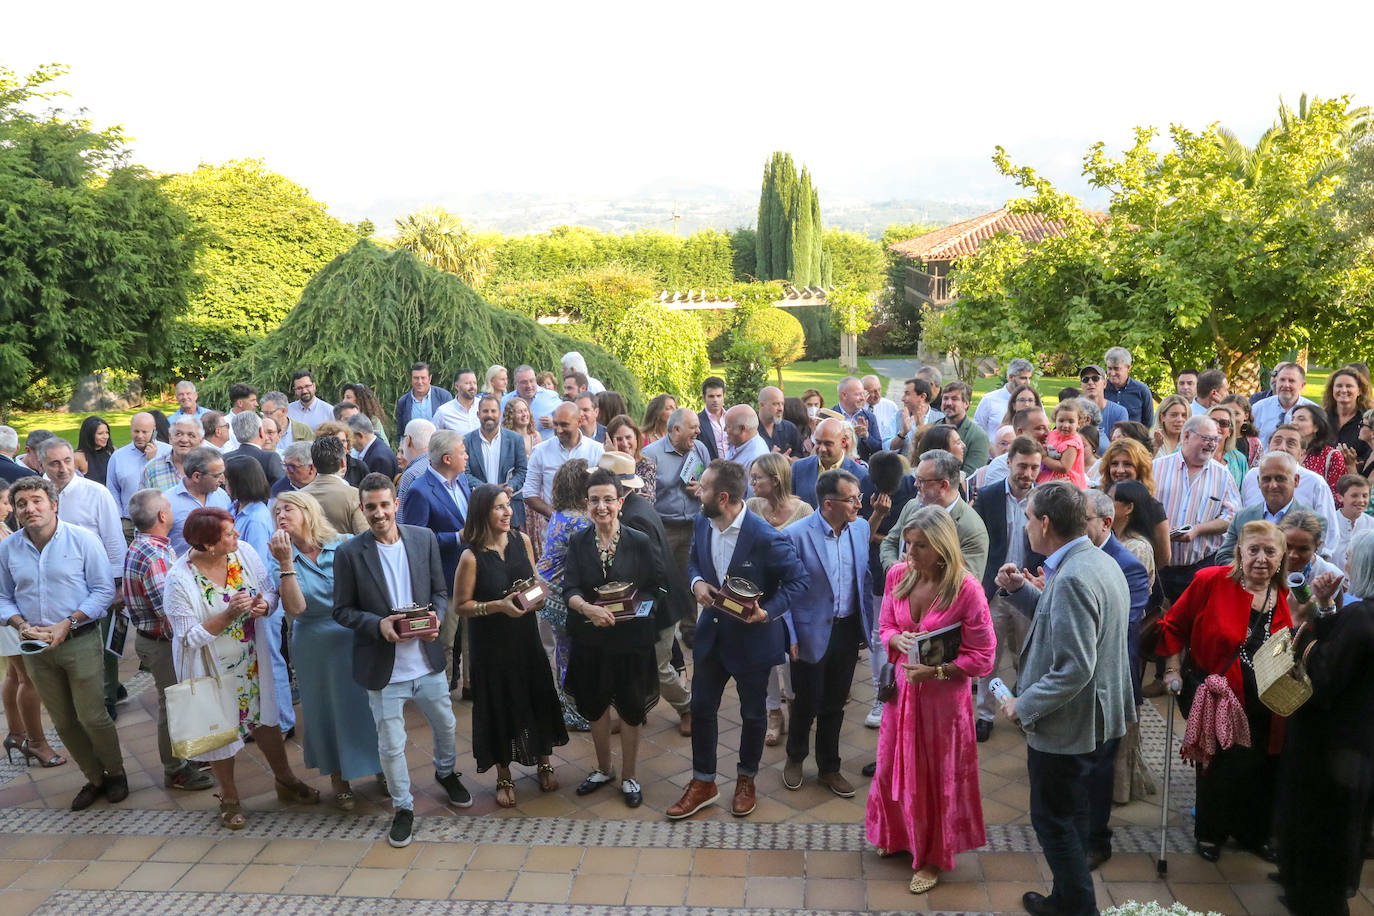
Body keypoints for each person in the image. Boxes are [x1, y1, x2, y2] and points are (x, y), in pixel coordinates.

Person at [994, 481, 1133, 916]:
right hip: (1096, 719)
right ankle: (1067, 899)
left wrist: (1023, 704)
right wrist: (1021, 591)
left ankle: (1076, 908)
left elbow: (1074, 667)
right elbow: (1061, 622)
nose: (1026, 524)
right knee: (1070, 816)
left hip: (1069, 728)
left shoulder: (1072, 576)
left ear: (1046, 523)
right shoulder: (1093, 560)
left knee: (1054, 822)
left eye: (1029, 517)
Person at [332, 474, 470, 846]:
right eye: (371, 507)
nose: (379, 513)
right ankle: (403, 807)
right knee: (391, 743)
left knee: (445, 724)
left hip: (425, 659)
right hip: (383, 666)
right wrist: (379, 625)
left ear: (395, 504)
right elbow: (342, 611)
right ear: (362, 509)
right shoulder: (348, 553)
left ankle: (446, 772)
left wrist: (437, 617)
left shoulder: (423, 539)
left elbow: (440, 592)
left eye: (384, 505)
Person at [666, 459, 807, 820]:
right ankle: (703, 782)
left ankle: (747, 778)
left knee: (753, 713)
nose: (698, 491)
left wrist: (767, 612)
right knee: (701, 709)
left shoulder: (765, 537)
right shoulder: (702, 521)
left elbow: (798, 580)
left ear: (724, 497)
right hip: (711, 637)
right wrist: (697, 582)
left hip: (752, 641)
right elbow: (695, 560)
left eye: (705, 488)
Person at [866, 507, 995, 894]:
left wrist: (937, 672)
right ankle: (900, 836)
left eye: (920, 546)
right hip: (901, 697)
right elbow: (886, 623)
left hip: (943, 705)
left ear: (941, 548)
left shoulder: (967, 589)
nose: (910, 553)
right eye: (908, 544)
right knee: (893, 767)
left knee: (938, 779)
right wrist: (895, 640)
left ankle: (934, 858)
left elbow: (984, 656)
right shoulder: (897, 576)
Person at [165, 506, 318, 829]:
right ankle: (230, 797)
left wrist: (264, 605)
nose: (237, 537)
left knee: (267, 722)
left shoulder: (244, 553)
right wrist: (228, 616)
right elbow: (188, 637)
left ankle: (285, 779)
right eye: (229, 535)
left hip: (252, 661)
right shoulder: (179, 578)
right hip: (213, 669)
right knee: (220, 734)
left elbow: (270, 594)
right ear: (207, 545)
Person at [1156, 520, 1291, 864]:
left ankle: (1253, 833)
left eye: (1270, 551)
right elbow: (1174, 624)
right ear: (1239, 552)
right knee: (1218, 766)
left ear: (1281, 557)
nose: (1262, 558)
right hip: (1218, 694)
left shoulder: (1283, 593)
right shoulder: (1210, 581)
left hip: (1268, 698)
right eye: (1254, 550)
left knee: (1262, 765)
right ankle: (1211, 833)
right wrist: (1172, 669)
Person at [0, 477, 126, 809]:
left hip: (79, 639)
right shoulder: (8, 547)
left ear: (54, 505)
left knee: (92, 716)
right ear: (15, 511)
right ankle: (94, 777)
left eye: (37, 500)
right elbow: (3, 597)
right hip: (35, 648)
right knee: (64, 721)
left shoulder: (83, 540)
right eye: (22, 503)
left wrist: (68, 622)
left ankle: (116, 773)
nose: (30, 508)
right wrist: (20, 624)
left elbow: (102, 591)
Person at [451, 484, 568, 808]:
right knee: (498, 704)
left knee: (537, 696)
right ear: (482, 513)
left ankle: (544, 761)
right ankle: (504, 775)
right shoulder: (471, 556)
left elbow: (533, 583)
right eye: (499, 507)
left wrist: (535, 599)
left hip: (525, 637)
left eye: (508, 506)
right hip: (491, 645)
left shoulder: (523, 541)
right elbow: (461, 606)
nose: (507, 512)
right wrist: (497, 607)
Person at [1276, 534, 1374, 915]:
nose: (1345, 565)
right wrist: (1329, 607)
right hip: (1357, 744)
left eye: (1350, 558)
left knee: (1325, 831)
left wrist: (1305, 625)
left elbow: (1322, 677)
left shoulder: (1362, 615)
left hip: (1333, 749)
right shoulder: (1359, 614)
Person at [268, 491, 380, 811]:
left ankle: (381, 767)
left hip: (354, 637)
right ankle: (339, 779)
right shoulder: (279, 558)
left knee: (368, 708)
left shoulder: (344, 542)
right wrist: (287, 563)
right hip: (315, 645)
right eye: (276, 512)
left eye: (288, 508)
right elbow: (297, 609)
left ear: (308, 511)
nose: (281, 515)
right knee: (325, 712)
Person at [562, 467, 667, 808]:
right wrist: (587, 609)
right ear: (585, 504)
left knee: (632, 708)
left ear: (621, 502)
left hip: (630, 642)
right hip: (590, 639)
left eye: (609, 499)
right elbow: (570, 588)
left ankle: (630, 775)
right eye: (595, 500)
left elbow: (655, 587)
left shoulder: (639, 541)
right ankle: (604, 768)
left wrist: (633, 612)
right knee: (594, 706)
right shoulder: (578, 542)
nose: (602, 506)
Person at [780, 469, 873, 798]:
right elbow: (785, 591)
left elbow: (864, 578)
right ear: (829, 503)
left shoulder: (860, 529)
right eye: (852, 499)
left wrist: (867, 625)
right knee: (805, 701)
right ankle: (795, 758)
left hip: (847, 630)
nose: (859, 505)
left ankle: (829, 767)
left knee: (836, 701)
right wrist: (789, 634)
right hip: (808, 633)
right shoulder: (796, 535)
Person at [120, 488, 215, 791]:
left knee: (176, 702)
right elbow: (172, 611)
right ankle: (175, 769)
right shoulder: (155, 555)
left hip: (155, 640)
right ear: (163, 516)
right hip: (162, 644)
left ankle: (186, 756)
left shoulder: (144, 545)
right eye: (170, 508)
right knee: (173, 705)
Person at [1081, 489, 1151, 866]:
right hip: (1077, 681)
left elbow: (1122, 624)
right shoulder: (1078, 554)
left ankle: (1097, 839)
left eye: (1084, 520)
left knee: (1099, 763)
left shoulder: (1128, 565)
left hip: (1107, 681)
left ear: (1106, 523)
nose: (1076, 526)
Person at [971, 436, 1045, 742]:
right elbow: (977, 542)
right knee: (990, 655)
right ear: (1008, 462)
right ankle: (986, 714)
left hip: (1029, 588)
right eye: (1022, 466)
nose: (1027, 473)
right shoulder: (987, 496)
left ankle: (1025, 711)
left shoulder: (1043, 498)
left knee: (1027, 656)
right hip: (995, 590)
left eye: (1033, 468)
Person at [398, 429, 472, 694]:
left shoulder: (462, 481)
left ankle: (472, 687)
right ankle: (442, 692)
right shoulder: (420, 490)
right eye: (462, 451)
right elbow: (415, 539)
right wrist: (456, 537)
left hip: (470, 573)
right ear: (448, 458)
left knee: (471, 637)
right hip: (445, 577)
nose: (467, 455)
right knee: (446, 640)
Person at [746, 453, 812, 745]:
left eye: (757, 477)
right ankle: (774, 711)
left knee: (791, 656)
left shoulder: (804, 510)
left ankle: (797, 704)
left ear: (775, 480)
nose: (752, 482)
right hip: (760, 595)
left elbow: (810, 556)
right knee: (766, 658)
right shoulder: (750, 508)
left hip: (792, 597)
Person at [1151, 415, 1240, 603]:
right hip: (1158, 567)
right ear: (1186, 437)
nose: (1212, 444)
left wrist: (1198, 530)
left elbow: (1232, 516)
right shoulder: (1156, 468)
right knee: (1155, 624)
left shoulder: (1222, 474)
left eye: (1216, 439)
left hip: (1200, 568)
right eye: (1207, 438)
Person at [643, 407, 709, 648]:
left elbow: (708, 480)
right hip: (664, 527)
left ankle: (690, 628)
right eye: (693, 427)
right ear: (676, 429)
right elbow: (647, 496)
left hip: (693, 525)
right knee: (662, 578)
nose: (698, 431)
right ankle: (662, 627)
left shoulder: (700, 449)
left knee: (690, 577)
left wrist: (702, 488)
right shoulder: (651, 454)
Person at [536, 459, 593, 731]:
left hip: (546, 589)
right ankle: (574, 712)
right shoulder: (579, 521)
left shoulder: (560, 514)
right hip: (560, 595)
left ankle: (566, 703)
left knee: (562, 651)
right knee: (569, 653)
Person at [880, 449, 989, 582]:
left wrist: (913, 571)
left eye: (921, 480)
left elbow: (967, 583)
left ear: (943, 485)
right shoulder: (912, 506)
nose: (915, 484)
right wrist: (892, 565)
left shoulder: (971, 528)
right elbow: (890, 542)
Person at [523, 402, 604, 561]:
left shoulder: (596, 450)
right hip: (553, 529)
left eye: (564, 425)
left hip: (591, 528)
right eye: (556, 424)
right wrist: (557, 516)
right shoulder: (540, 451)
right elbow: (529, 493)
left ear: (579, 422)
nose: (559, 430)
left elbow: (604, 488)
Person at [1240, 425, 1341, 541]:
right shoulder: (1252, 476)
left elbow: (1328, 533)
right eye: (1277, 441)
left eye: (1291, 443)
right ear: (1268, 446)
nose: (1282, 447)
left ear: (1302, 453)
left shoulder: (1316, 483)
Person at [1215, 452, 1316, 564]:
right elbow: (1224, 557)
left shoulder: (1310, 521)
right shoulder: (1242, 517)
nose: (1273, 485)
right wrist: (1251, 574)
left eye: (1280, 478)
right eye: (1266, 479)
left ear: (1296, 480)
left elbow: (1310, 562)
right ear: (1258, 481)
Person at [464, 395, 528, 525]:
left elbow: (522, 470)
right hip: (480, 508)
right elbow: (465, 473)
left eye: (493, 411)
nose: (489, 415)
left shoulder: (515, 439)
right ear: (478, 414)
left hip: (509, 510)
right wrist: (490, 490)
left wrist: (510, 487)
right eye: (485, 411)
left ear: (500, 414)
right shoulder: (467, 441)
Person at [792, 417, 871, 508]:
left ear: (843, 442)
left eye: (828, 444)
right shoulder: (799, 468)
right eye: (818, 442)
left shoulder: (861, 474)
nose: (822, 449)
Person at [300, 435, 367, 536]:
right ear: (343, 462)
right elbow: (364, 537)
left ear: (313, 465)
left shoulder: (299, 497)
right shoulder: (354, 496)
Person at [1292, 403, 1346, 500]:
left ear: (1316, 427)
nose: (1293, 423)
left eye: (1301, 419)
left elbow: (1337, 497)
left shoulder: (1332, 455)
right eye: (1293, 419)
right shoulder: (1287, 452)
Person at [1253, 362, 1317, 443]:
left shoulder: (1313, 411)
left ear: (1302, 385)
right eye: (1282, 380)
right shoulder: (1259, 408)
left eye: (1291, 381)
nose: (1286, 385)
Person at [1324, 365, 1373, 467]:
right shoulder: (1322, 417)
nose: (1343, 390)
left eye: (1349, 386)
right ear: (1332, 389)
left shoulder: (1367, 421)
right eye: (1339, 386)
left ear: (1359, 391)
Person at [973, 357, 1034, 438]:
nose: (1028, 382)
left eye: (1029, 378)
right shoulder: (989, 400)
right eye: (1023, 378)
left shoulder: (1034, 401)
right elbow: (977, 430)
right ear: (1011, 377)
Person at [937, 381, 989, 475]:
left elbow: (971, 475)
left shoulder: (978, 436)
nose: (948, 403)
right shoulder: (932, 429)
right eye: (945, 398)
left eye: (954, 399)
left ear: (966, 404)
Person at [501, 364, 562, 441]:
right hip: (515, 449)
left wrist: (554, 423)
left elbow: (567, 420)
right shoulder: (505, 401)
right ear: (516, 383)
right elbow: (500, 428)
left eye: (532, 381)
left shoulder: (551, 397)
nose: (529, 385)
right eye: (524, 382)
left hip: (547, 450)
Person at [223, 411, 286, 485]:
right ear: (260, 432)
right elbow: (281, 488)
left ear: (235, 434)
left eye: (270, 432)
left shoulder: (224, 458)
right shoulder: (270, 458)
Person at [605, 414, 654, 504]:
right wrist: (613, 458)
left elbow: (646, 499)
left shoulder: (647, 465)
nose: (624, 443)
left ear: (636, 438)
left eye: (628, 437)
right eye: (619, 439)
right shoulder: (604, 466)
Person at [1102, 346, 1156, 426]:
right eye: (1109, 368)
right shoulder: (1101, 390)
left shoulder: (1141, 390)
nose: (1112, 373)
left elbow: (1148, 423)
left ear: (1128, 368)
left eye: (1117, 369)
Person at [1330, 474, 1374, 572]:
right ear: (1340, 497)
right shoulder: (1330, 523)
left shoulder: (1371, 525)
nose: (1361, 501)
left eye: (1365, 495)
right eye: (1354, 495)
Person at [834, 376, 883, 459]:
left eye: (863, 393)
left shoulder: (869, 417)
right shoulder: (831, 416)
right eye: (858, 394)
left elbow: (878, 449)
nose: (863, 398)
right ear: (844, 395)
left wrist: (866, 435)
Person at [395, 362, 453, 431]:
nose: (419, 382)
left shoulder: (444, 397)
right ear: (411, 379)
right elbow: (401, 432)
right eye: (416, 378)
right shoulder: (403, 402)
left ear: (429, 378)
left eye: (423, 378)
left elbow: (451, 427)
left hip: (438, 441)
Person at [1042, 400, 1088, 487]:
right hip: (1051, 475)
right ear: (1055, 420)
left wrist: (1044, 457)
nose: (1065, 425)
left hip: (1068, 483)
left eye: (1071, 421)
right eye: (1061, 420)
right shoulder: (1053, 434)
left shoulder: (1072, 444)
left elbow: (1064, 467)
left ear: (1079, 423)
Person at [724, 404, 769, 483]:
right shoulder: (739, 443)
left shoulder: (755, 460)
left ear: (742, 429)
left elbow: (752, 494)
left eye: (728, 426)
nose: (724, 430)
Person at [1207, 404, 1248, 487]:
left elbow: (1244, 492)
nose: (1217, 426)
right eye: (1212, 422)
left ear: (1230, 431)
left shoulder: (1239, 459)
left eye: (1223, 423)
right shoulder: (1190, 452)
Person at [758, 386, 803, 459]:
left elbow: (799, 453)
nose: (780, 409)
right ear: (762, 405)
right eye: (775, 404)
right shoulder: (751, 430)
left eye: (782, 404)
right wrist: (770, 459)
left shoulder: (789, 428)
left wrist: (791, 461)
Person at [348, 414, 398, 479]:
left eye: (350, 438)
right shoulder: (376, 449)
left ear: (360, 435)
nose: (350, 443)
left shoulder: (379, 459)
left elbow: (378, 487)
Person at [434, 368, 481, 437]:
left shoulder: (484, 406)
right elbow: (433, 438)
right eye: (467, 383)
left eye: (474, 383)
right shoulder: (444, 412)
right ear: (457, 386)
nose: (472, 387)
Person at [1222, 393, 1264, 466]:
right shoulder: (1215, 440)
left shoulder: (1254, 443)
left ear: (1246, 416)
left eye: (1236, 414)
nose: (1231, 418)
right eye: (1227, 413)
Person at [74, 415, 114, 485]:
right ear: (89, 435)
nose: (106, 437)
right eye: (100, 433)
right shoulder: (78, 457)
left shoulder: (112, 451)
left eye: (107, 433)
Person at [697, 376, 727, 460]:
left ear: (724, 396)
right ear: (704, 398)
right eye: (711, 396)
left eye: (718, 396)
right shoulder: (697, 422)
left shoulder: (732, 417)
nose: (715, 400)